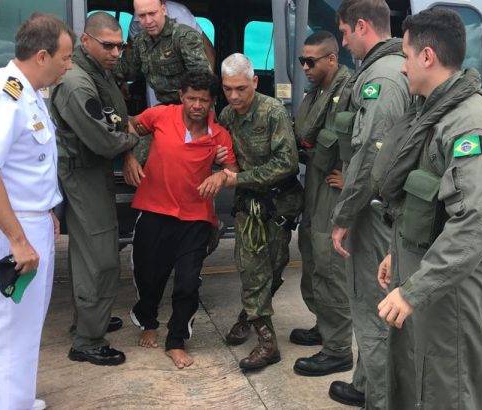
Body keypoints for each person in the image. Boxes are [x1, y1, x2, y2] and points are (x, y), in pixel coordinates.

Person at [374, 8, 482, 409]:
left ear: (427, 57)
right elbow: (425, 205)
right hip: (418, 283)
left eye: (406, 55)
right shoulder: (433, 116)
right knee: (412, 388)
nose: (402, 68)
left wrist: (414, 290)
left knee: (449, 395)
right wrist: (394, 253)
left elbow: (475, 224)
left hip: (446, 297)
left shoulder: (471, 126)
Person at [0, 13, 73, 410]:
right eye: (65, 57)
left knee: (14, 328)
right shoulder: (2, 95)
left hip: (28, 221)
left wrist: (45, 214)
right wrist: (18, 238)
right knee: (16, 334)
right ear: (42, 55)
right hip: (8, 229)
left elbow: (27, 166)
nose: (69, 65)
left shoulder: (26, 92)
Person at [123, 70, 237, 369]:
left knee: (188, 282)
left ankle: (176, 340)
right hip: (154, 209)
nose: (196, 105)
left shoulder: (219, 136)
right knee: (149, 275)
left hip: (196, 217)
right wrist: (129, 157)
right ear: (181, 97)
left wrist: (221, 174)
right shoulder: (160, 116)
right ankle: (148, 321)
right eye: (191, 98)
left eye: (203, 100)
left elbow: (233, 172)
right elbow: (130, 125)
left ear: (212, 102)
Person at [327, 0, 410, 407]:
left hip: (374, 211)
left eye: (344, 33)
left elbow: (369, 155)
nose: (343, 42)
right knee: (366, 305)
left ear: (362, 26)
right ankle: (365, 385)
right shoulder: (385, 69)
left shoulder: (383, 77)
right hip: (376, 206)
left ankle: (380, 400)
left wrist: (343, 214)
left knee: (371, 308)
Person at [50, 12, 140, 367]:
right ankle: (88, 340)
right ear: (85, 41)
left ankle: (88, 320)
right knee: (100, 257)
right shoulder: (77, 82)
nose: (116, 52)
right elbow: (104, 139)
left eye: (120, 45)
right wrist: (134, 136)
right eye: (108, 45)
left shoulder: (96, 70)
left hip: (91, 171)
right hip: (84, 174)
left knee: (88, 253)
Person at [218, 53, 302, 371]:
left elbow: (287, 163)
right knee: (252, 270)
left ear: (254, 82)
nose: (235, 96)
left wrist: (239, 178)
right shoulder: (227, 116)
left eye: (241, 88)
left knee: (273, 269)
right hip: (249, 208)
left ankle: (247, 316)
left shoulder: (272, 112)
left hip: (279, 204)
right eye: (228, 89)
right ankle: (267, 344)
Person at [290, 31, 355, 377]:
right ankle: (324, 325)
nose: (305, 67)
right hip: (315, 183)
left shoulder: (351, 91)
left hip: (334, 189)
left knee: (331, 268)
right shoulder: (317, 92)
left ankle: (338, 349)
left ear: (332, 59)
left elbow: (373, 138)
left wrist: (353, 177)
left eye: (311, 61)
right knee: (313, 258)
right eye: (303, 60)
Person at [115, 0, 210, 105]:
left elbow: (203, 81)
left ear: (163, 10)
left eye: (152, 14)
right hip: (160, 106)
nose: (148, 21)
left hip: (188, 108)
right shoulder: (140, 41)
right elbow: (127, 70)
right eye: (142, 16)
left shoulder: (184, 36)